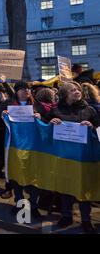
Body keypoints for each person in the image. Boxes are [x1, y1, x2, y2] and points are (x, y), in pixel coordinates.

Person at [49, 81, 99, 234]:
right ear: (65, 95)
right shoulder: (56, 110)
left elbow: (98, 130)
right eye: (72, 90)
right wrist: (51, 123)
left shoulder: (89, 110)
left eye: (78, 89)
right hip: (63, 156)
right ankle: (66, 216)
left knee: (83, 188)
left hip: (83, 157)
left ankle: (86, 220)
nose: (77, 91)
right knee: (66, 188)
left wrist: (91, 127)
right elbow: (45, 131)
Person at [4, 81, 42, 219]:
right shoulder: (9, 105)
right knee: (16, 175)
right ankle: (19, 203)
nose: (26, 91)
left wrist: (40, 117)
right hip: (15, 146)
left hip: (34, 147)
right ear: (16, 92)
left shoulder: (38, 105)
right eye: (22, 89)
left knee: (35, 176)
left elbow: (49, 121)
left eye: (28, 88)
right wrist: (4, 115)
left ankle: (33, 205)